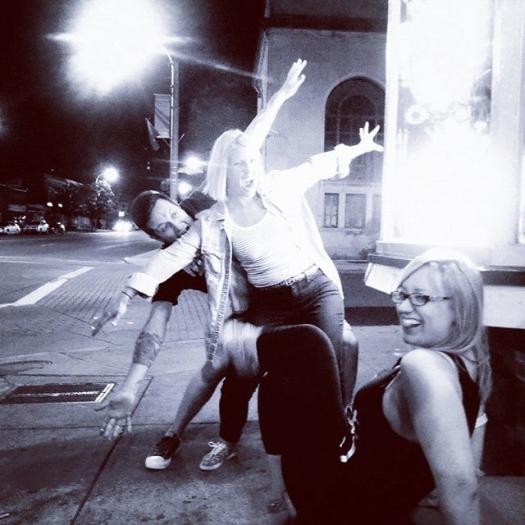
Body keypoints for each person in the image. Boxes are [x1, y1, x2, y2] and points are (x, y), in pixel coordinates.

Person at [92, 59, 381, 406]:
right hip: (265, 304)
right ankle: (206, 429)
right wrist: (125, 298)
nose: (177, 225)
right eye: (164, 227)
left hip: (311, 287)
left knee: (337, 352)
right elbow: (164, 276)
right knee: (237, 368)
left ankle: (340, 420)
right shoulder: (209, 222)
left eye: (173, 215)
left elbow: (292, 159)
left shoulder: (257, 190)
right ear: (156, 237)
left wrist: (288, 101)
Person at [256, 249, 491, 524]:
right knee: (292, 364)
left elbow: (462, 486)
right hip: (353, 464)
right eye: (402, 294)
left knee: (304, 348)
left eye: (421, 298)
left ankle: (278, 498)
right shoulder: (473, 361)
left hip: (338, 501)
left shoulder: (423, 365)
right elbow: (473, 440)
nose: (404, 307)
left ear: (461, 307)